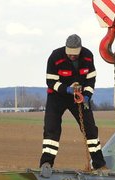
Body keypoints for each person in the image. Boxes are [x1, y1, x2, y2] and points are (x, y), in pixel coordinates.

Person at [41, 34, 106, 170]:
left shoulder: (88, 56)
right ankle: (46, 164)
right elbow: (50, 81)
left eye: (75, 54)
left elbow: (90, 79)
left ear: (80, 49)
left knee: (90, 129)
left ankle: (99, 164)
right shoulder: (55, 56)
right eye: (70, 54)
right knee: (51, 130)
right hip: (57, 97)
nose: (72, 56)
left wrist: (87, 96)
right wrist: (67, 90)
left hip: (79, 97)